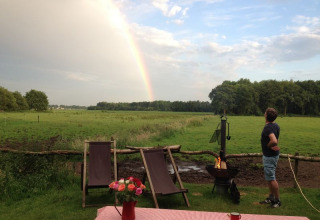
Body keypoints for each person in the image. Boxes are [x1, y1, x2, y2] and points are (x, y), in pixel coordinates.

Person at [259, 107, 281, 208]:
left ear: (266, 115)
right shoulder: (275, 125)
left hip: (269, 156)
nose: (264, 113)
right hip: (273, 155)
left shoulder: (268, 128)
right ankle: (271, 197)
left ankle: (277, 200)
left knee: (271, 178)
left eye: (265, 112)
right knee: (269, 177)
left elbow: (274, 140)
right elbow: (277, 140)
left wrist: (268, 146)